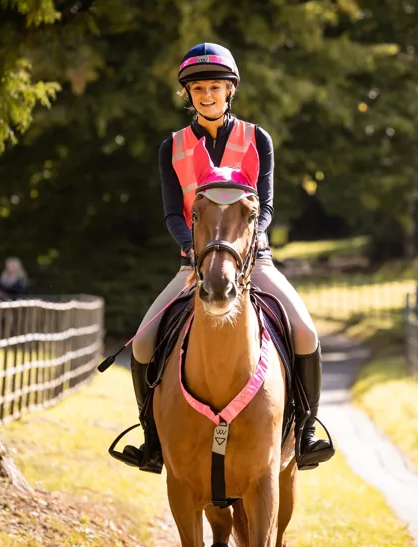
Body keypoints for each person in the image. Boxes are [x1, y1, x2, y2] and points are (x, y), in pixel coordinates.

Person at [119, 43, 334, 473]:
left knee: (306, 333)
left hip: (253, 262)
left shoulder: (257, 139)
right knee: (142, 343)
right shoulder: (172, 147)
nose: (207, 95)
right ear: (188, 93)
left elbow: (265, 207)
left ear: (230, 90)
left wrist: (244, 247)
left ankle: (306, 433)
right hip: (193, 265)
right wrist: (194, 250)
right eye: (198, 88)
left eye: (215, 87)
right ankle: (152, 441)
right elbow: (172, 213)